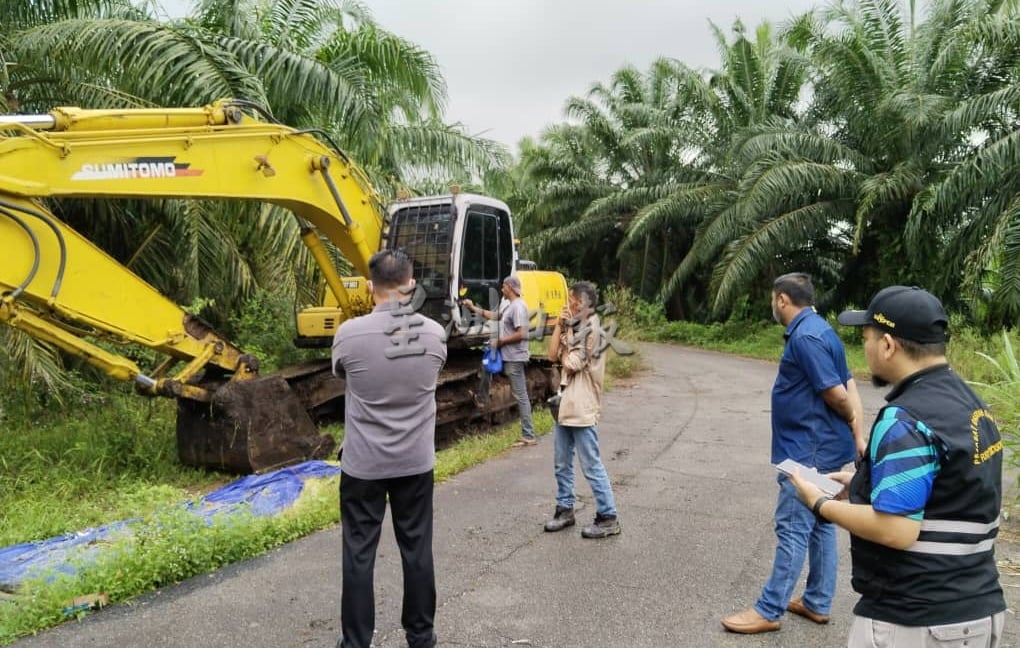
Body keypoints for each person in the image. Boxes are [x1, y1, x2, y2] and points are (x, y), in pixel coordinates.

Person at [790, 285, 1006, 647]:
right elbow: (948, 492)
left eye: (867, 338)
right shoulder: (971, 403)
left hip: (915, 619)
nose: (865, 349)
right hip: (978, 609)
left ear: (888, 345)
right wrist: (862, 485)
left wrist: (821, 503)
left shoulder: (904, 417)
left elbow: (896, 529)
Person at [722, 272, 865, 634]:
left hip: (807, 452)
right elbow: (846, 381)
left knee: (793, 527)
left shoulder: (806, 336)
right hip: (820, 447)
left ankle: (769, 609)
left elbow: (837, 392)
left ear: (782, 299)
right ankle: (817, 601)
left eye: (774, 299)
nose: (773, 305)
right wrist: (855, 433)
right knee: (821, 523)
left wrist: (850, 419)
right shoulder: (822, 329)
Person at [331, 249, 447, 648]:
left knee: (359, 554)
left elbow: (342, 373)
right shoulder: (434, 334)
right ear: (411, 285)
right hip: (415, 463)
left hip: (363, 465)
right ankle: (420, 636)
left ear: (369, 287)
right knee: (417, 550)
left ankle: (356, 642)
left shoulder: (348, 334)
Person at [542, 280, 621, 539]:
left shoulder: (592, 331)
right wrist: (558, 326)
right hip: (567, 404)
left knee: (591, 464)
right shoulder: (575, 327)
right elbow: (553, 355)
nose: (568, 304)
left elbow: (571, 363)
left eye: (571, 300)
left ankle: (608, 516)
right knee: (561, 462)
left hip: (582, 405)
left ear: (582, 303)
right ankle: (565, 509)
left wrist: (565, 346)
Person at [462, 275, 536, 447]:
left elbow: (522, 333)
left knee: (521, 396)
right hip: (507, 355)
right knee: (486, 365)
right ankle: (482, 397)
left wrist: (501, 342)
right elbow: (495, 316)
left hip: (514, 357)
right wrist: (473, 308)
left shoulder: (518, 307)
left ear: (510, 287)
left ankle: (529, 435)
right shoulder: (510, 306)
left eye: (503, 286)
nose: (501, 289)